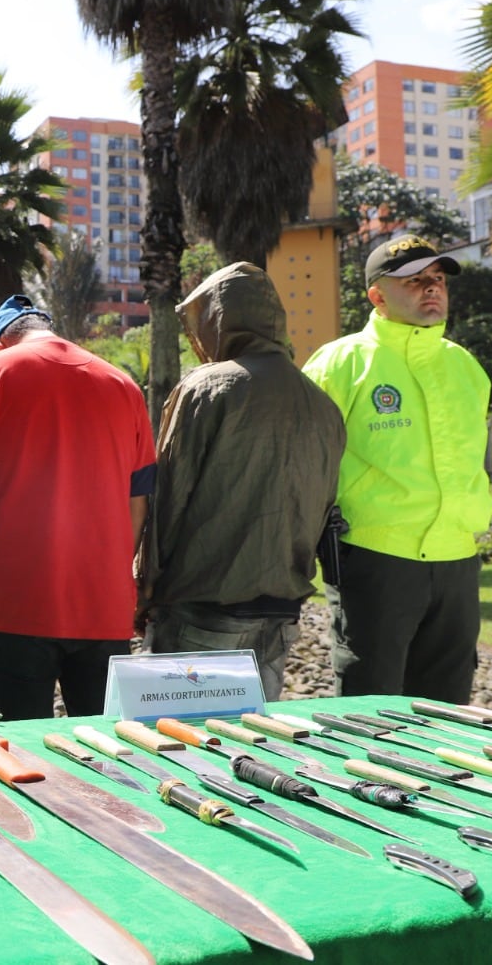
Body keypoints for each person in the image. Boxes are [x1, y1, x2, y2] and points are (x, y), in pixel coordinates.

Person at [134, 263, 345, 701]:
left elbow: (168, 500)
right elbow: (322, 507)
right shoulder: (322, 404)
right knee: (248, 747)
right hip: (280, 611)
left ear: (219, 319)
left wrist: (145, 586)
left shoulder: (207, 388)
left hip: (203, 607)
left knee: (177, 745)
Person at [301, 234, 492, 703]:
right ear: (377, 296)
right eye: (414, 281)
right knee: (373, 707)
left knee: (448, 709)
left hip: (457, 561)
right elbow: (302, 466)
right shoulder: (339, 362)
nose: (431, 289)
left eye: (438, 279)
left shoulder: (466, 367)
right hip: (374, 559)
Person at [0, 295, 155, 720]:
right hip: (104, 607)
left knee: (17, 757)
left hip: (15, 605)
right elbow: (138, 506)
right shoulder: (124, 385)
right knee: (107, 756)